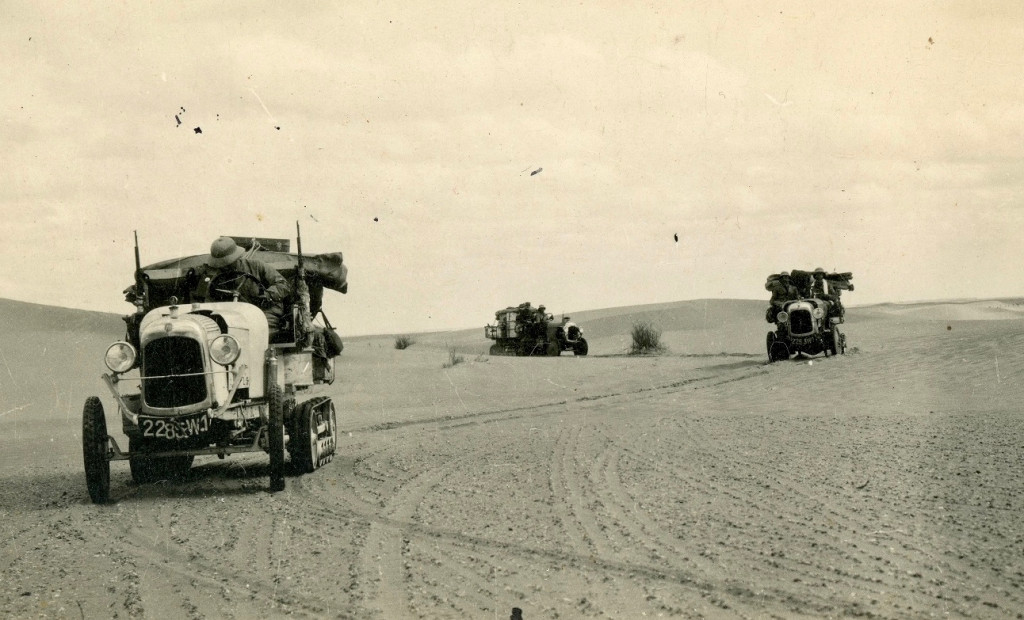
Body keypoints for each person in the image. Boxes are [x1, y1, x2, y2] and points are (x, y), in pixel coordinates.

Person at [191, 237, 292, 336]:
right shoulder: (214, 280)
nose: (225, 267)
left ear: (236, 258)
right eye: (222, 265)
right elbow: (209, 304)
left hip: (265, 312)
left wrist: (268, 295)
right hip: (234, 318)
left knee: (257, 331)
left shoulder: (256, 266)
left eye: (228, 264)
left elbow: (283, 284)